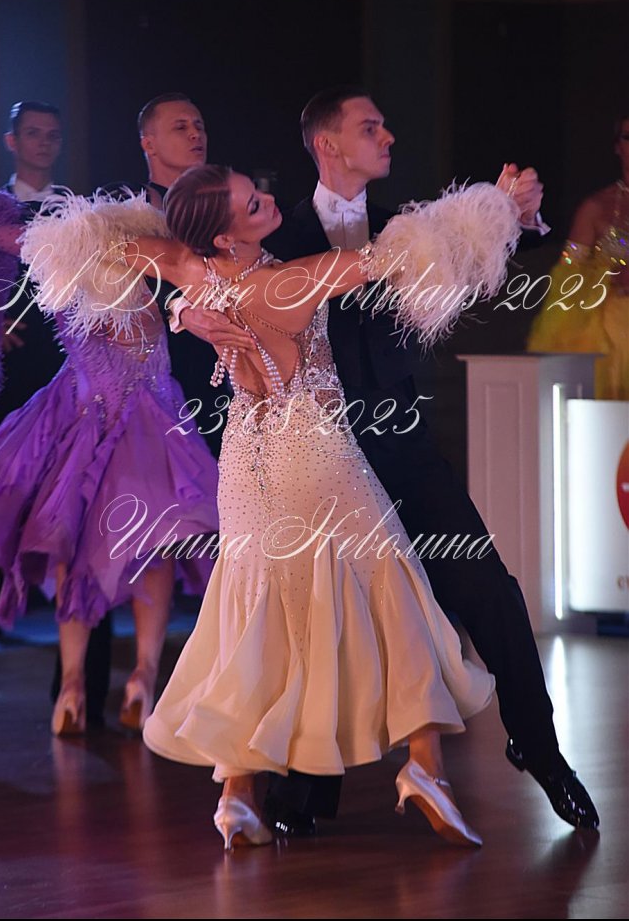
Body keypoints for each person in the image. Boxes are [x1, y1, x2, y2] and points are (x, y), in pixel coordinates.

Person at [174, 87, 599, 834]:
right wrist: (187, 310)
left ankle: (540, 747)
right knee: (309, 615)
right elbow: (185, 263)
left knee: (489, 593)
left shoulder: (410, 221)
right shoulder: (271, 229)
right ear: (328, 144)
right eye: (369, 127)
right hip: (315, 463)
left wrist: (515, 215)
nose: (388, 136)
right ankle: (309, 789)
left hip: (401, 451)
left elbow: (470, 247)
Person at [140, 160, 531, 850]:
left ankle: (236, 796)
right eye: (251, 205)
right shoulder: (288, 282)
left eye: (258, 193)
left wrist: (182, 307)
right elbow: (398, 254)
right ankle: (425, 765)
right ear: (225, 237)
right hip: (316, 458)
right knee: (397, 600)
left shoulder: (192, 270)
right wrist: (492, 207)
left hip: (246, 466)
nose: (267, 202)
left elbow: (118, 245)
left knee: (258, 618)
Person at [0, 183, 219, 737]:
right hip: (147, 416)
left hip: (81, 414)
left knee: (73, 546)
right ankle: (144, 678)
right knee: (153, 544)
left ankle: (73, 686)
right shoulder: (142, 246)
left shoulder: (62, 253)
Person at [527, 113, 629, 399]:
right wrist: (606, 276)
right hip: (614, 330)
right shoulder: (597, 207)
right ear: (617, 146)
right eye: (628, 137)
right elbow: (568, 272)